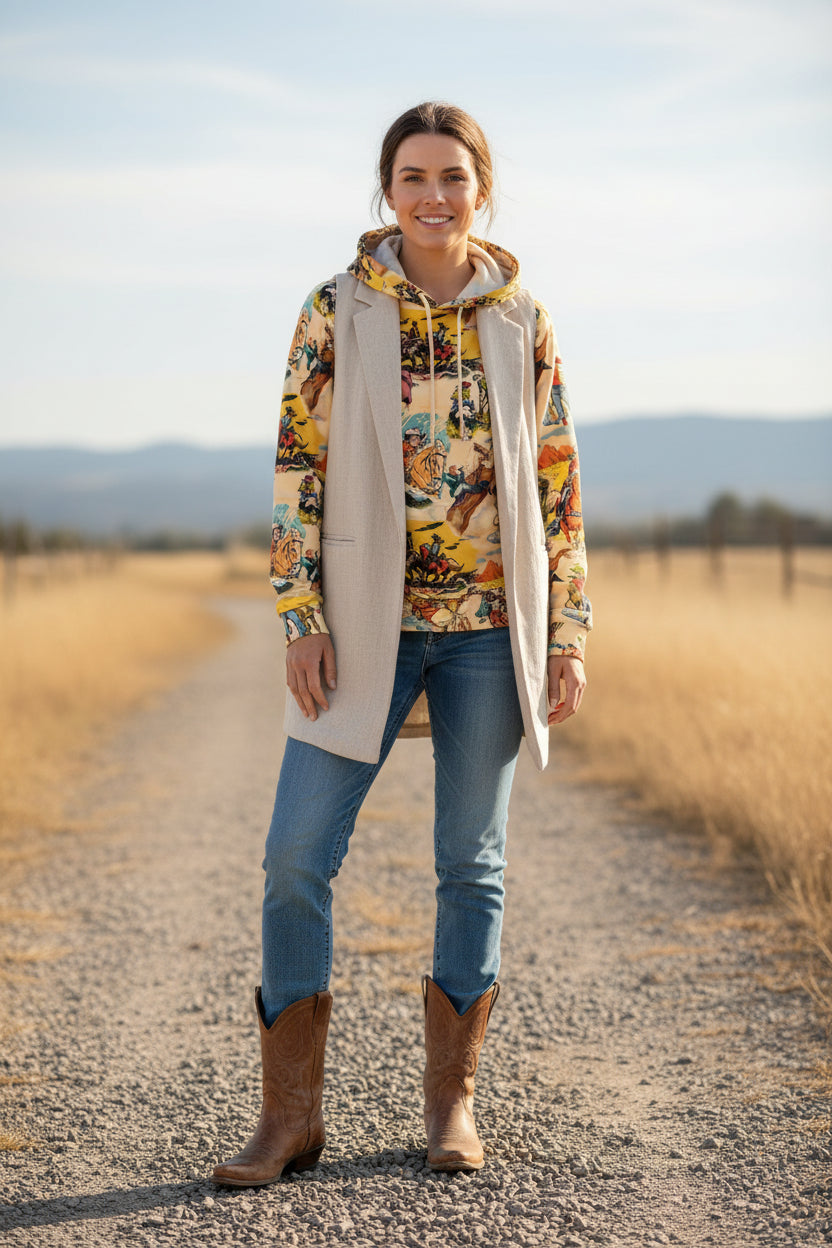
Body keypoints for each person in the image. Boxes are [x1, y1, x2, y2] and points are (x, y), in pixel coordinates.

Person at [212, 101, 592, 1187]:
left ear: (482, 190)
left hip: (486, 632)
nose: (433, 196)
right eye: (413, 177)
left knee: (471, 866)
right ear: (388, 192)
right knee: (296, 858)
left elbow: (556, 487)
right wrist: (300, 615)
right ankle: (289, 1119)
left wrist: (565, 632)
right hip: (362, 624)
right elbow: (296, 467)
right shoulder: (335, 308)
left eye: (453, 178)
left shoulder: (522, 318)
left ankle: (451, 1110)